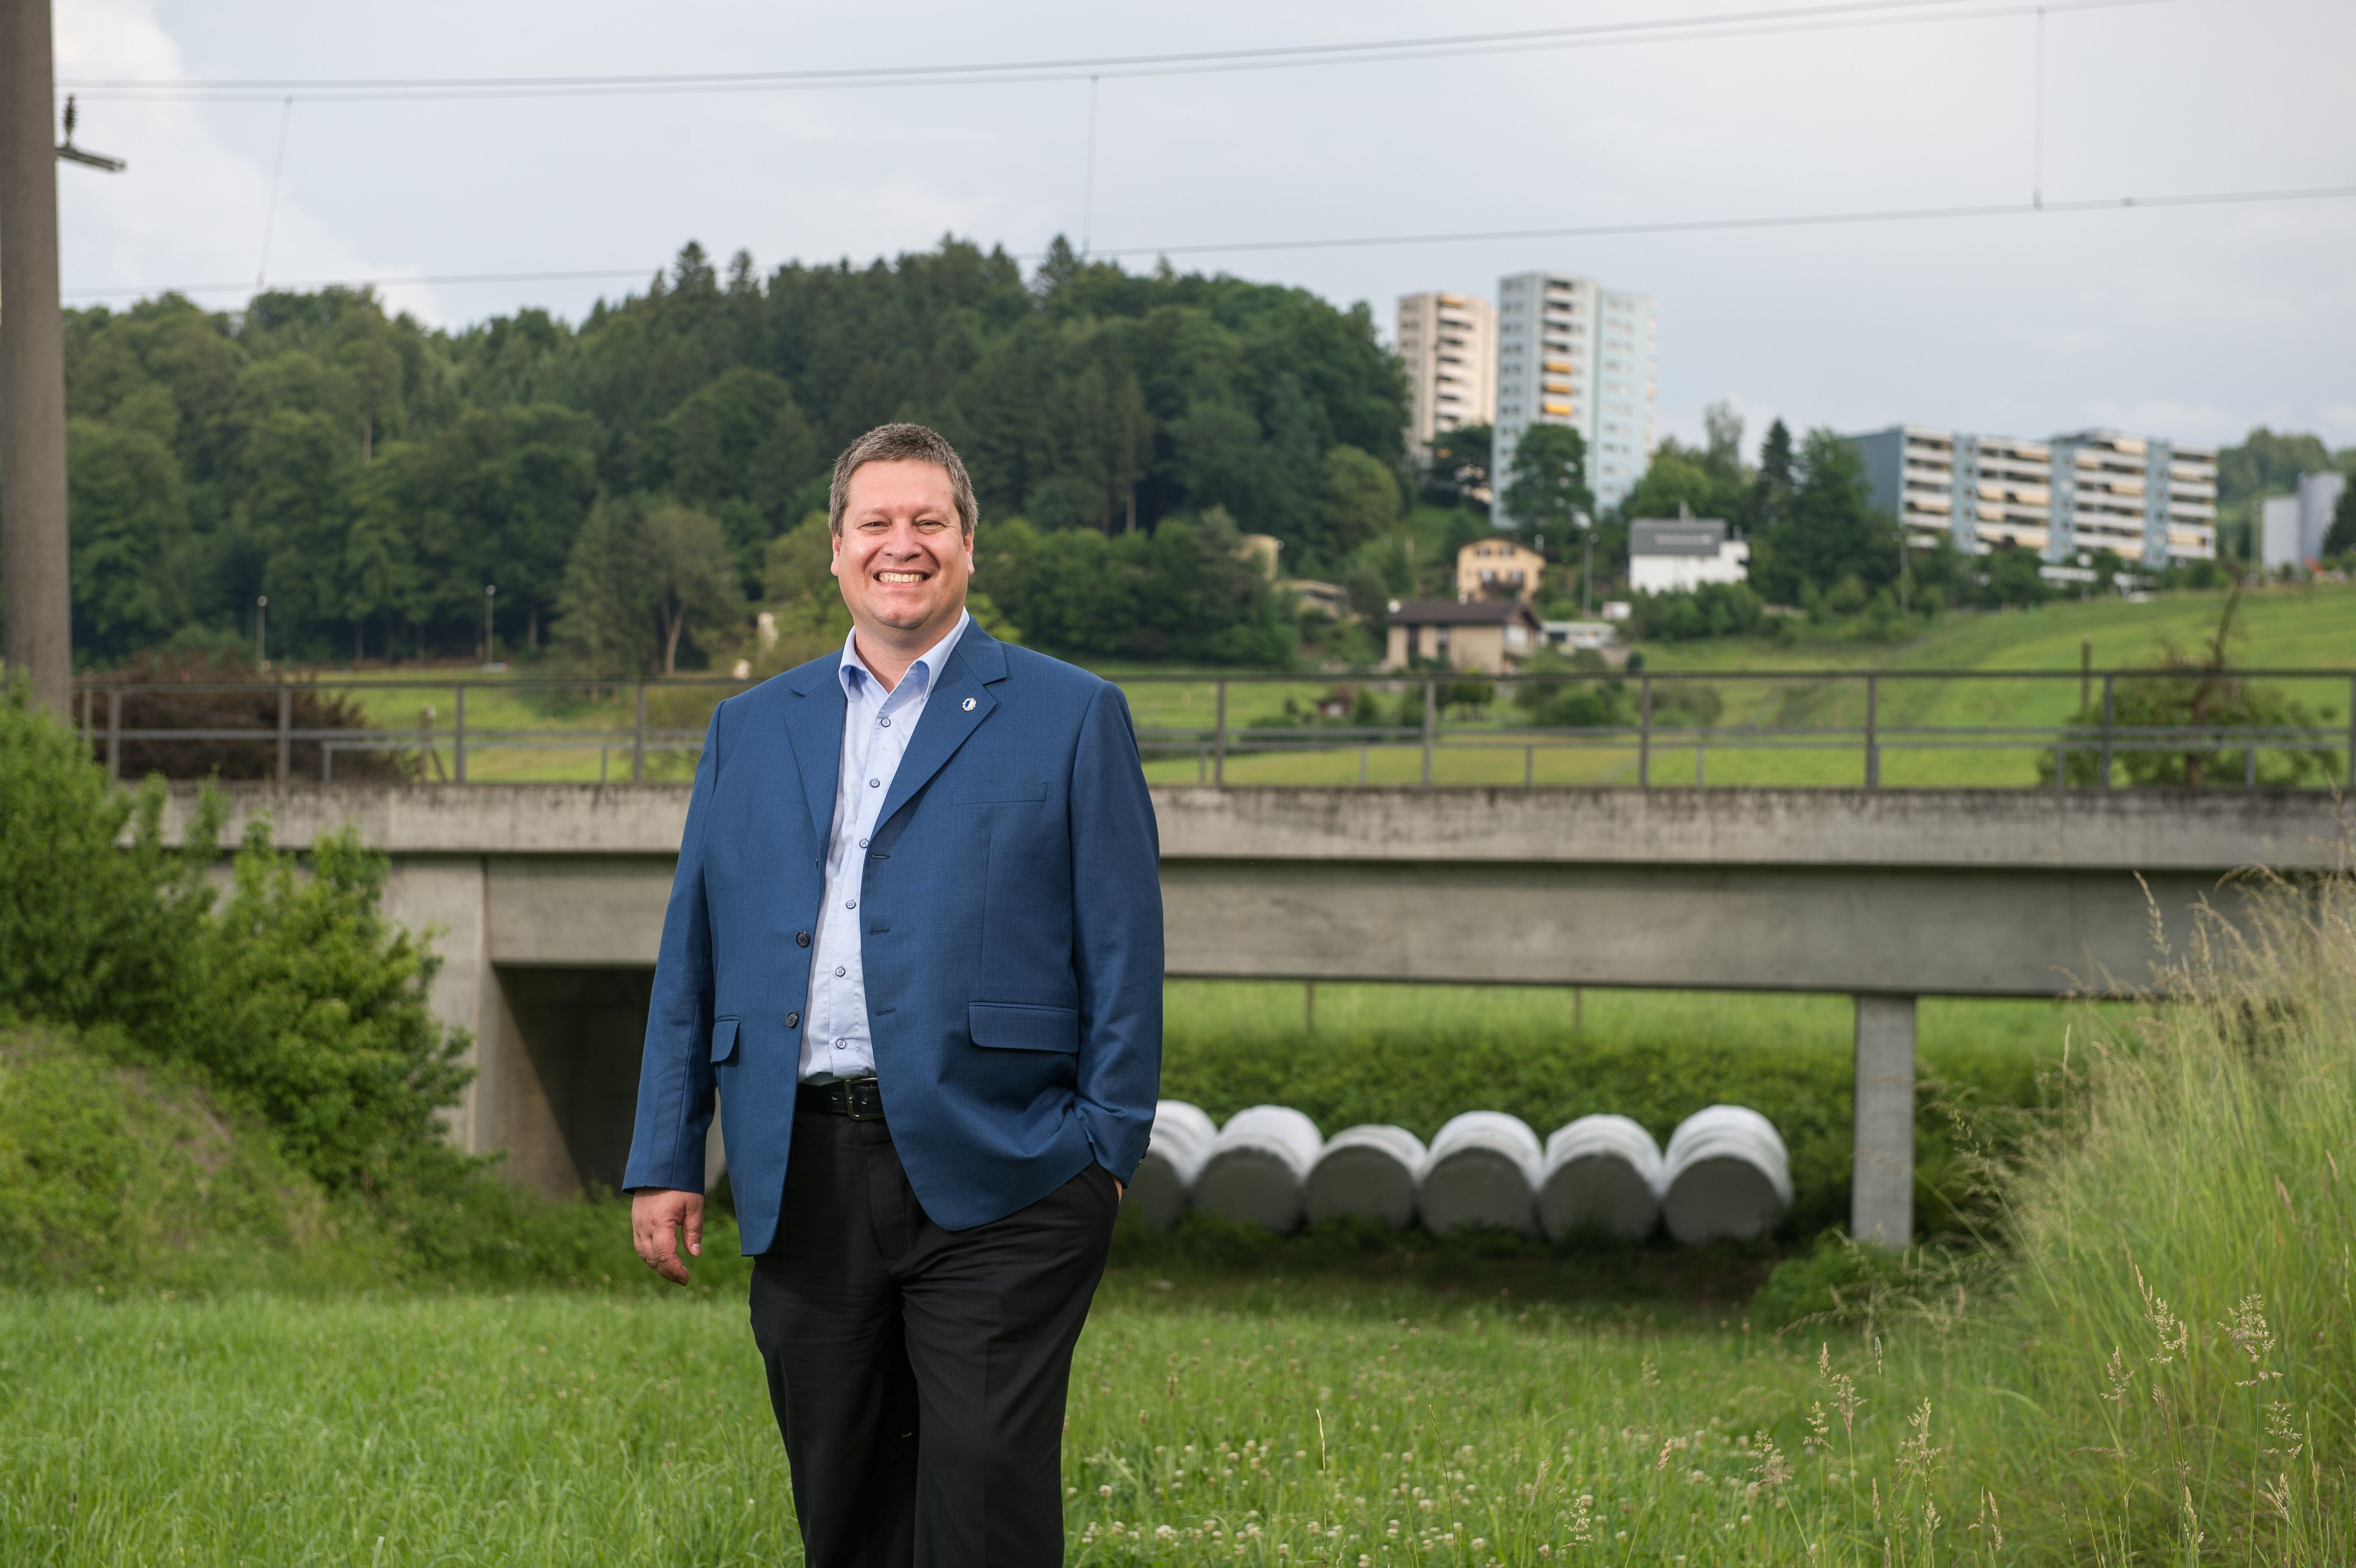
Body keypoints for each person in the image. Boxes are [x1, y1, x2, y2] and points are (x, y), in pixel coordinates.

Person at [623, 423, 1163, 1568]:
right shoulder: (748, 728)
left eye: (929, 522)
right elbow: (695, 949)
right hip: (802, 1168)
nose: (900, 545)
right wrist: (667, 1151)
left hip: (1007, 1167)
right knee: (844, 1506)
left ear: (969, 545)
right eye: (877, 522)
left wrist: (1105, 1146)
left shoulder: (1071, 715)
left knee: (980, 1508)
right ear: (836, 549)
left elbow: (1123, 947)